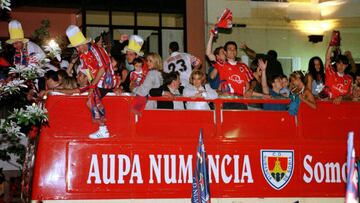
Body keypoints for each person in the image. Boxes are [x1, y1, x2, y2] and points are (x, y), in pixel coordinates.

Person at [66, 25, 116, 139]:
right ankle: (103, 129)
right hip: (96, 81)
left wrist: (92, 87)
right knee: (89, 99)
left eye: (77, 46)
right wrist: (70, 69)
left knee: (90, 101)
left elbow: (103, 69)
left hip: (106, 81)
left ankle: (103, 130)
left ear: (83, 43)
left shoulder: (96, 50)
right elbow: (86, 69)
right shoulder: (83, 53)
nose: (77, 49)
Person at [324, 32, 352, 104]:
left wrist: (341, 97)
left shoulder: (349, 79)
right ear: (336, 64)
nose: (341, 66)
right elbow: (327, 59)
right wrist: (331, 44)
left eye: (343, 64)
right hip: (329, 106)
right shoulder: (330, 73)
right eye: (339, 63)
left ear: (346, 66)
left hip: (343, 109)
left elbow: (350, 95)